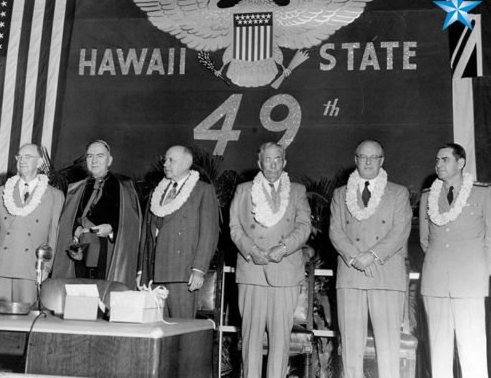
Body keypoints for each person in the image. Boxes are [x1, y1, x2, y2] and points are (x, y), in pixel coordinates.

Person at [329, 139, 412, 378]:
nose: (367, 162)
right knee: (350, 347)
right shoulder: (340, 194)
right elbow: (335, 230)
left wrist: (372, 255)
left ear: (381, 161)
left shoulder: (398, 192)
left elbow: (400, 231)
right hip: (351, 274)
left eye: (373, 157)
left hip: (385, 275)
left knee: (387, 347)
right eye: (362, 157)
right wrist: (355, 257)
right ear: (355, 159)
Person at [229, 142, 311, 378]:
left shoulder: (297, 191)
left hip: (285, 272)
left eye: (277, 160)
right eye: (267, 160)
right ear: (259, 163)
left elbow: (304, 226)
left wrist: (285, 246)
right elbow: (235, 227)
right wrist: (251, 249)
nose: (273, 165)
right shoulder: (244, 190)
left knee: (280, 339)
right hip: (252, 270)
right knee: (251, 337)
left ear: (284, 162)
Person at [420, 143, 490, 378]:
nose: (439, 164)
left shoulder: (482, 193)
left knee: (472, 349)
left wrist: (480, 273)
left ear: (460, 163)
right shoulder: (428, 196)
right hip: (436, 282)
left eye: (445, 159)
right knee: (438, 350)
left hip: (468, 284)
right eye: (437, 160)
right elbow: (424, 240)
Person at [137, 145, 219, 318]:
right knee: (156, 330)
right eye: (164, 160)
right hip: (153, 273)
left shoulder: (203, 190)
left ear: (186, 163)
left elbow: (208, 234)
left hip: (183, 273)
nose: (165, 164)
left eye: (170, 160)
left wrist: (199, 269)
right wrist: (141, 270)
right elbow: (146, 233)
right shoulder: (156, 192)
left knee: (181, 330)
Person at [52, 140, 141, 289]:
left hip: (109, 250)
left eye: (100, 156)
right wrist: (76, 230)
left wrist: (111, 230)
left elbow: (132, 224)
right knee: (79, 294)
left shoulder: (124, 186)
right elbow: (68, 219)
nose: (94, 161)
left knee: (103, 295)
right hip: (81, 247)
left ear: (109, 160)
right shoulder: (76, 188)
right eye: (89, 156)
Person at [0, 144, 64, 305]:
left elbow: (53, 235)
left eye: (28, 157)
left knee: (26, 320)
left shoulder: (55, 195)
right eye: (19, 157)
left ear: (40, 161)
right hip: (1, 265)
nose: (22, 161)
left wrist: (46, 268)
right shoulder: (1, 192)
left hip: (32, 267)